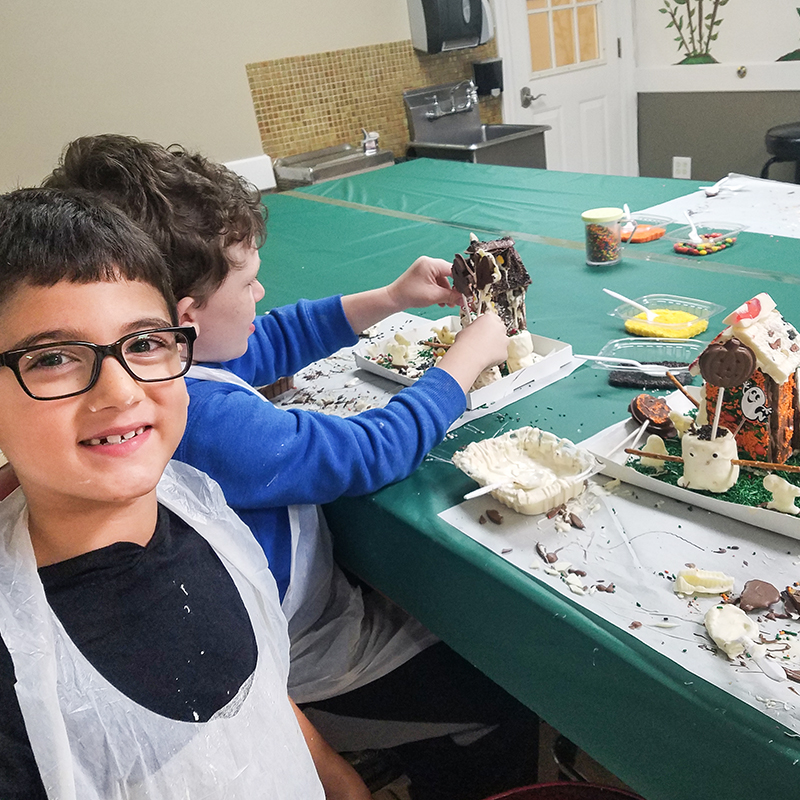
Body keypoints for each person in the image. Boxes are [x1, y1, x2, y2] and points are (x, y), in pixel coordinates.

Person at [45, 135, 541, 800]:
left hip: (294, 616)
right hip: (302, 663)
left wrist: (390, 297)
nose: (263, 291)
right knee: (506, 690)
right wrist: (464, 361)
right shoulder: (200, 419)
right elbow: (369, 452)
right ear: (186, 318)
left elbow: (267, 339)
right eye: (249, 281)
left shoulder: (152, 364)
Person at [0, 187, 371, 800]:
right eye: (54, 358)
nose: (121, 392)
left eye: (144, 343)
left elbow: (259, 697)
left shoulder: (196, 505)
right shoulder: (20, 672)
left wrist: (342, 783)